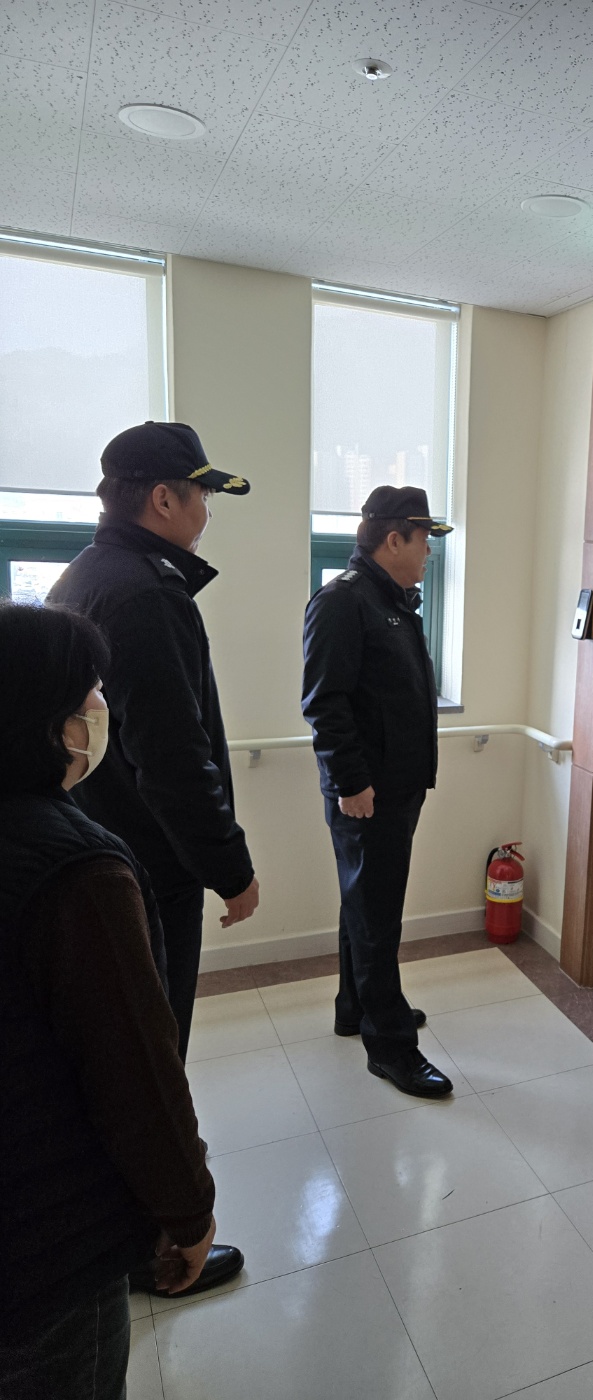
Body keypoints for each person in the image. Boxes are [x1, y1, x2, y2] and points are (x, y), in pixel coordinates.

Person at [49, 419, 255, 1296]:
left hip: (97, 854)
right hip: (144, 870)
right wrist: (230, 866)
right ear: (164, 498)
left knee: (115, 1056)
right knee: (150, 1060)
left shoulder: (93, 574)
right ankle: (159, 1246)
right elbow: (173, 757)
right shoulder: (144, 595)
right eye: (202, 493)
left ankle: (125, 1232)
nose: (207, 510)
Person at [0, 602, 220, 1400]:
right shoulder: (81, 872)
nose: (101, 707)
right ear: (50, 721)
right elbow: (135, 1072)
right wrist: (188, 1213)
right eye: (89, 691)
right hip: (51, 1252)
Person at [302, 485, 454, 1099]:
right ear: (394, 539)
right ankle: (391, 1046)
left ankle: (356, 1006)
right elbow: (325, 702)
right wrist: (351, 782)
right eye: (424, 541)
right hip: (368, 792)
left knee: (363, 903)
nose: (429, 553)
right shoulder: (344, 601)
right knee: (377, 915)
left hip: (394, 786)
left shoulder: (390, 600)